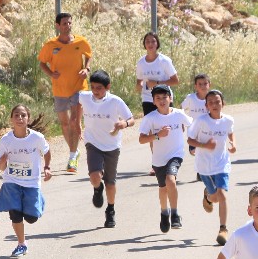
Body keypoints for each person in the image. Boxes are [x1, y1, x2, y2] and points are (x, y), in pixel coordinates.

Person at [0, 104, 52, 257]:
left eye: (23, 115)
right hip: (11, 181)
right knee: (15, 214)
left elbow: (47, 151)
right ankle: (21, 244)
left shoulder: (37, 138)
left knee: (31, 218)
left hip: (31, 182)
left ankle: (38, 201)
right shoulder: (6, 140)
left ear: (28, 119)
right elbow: (1, 167)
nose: (19, 118)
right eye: (16, 115)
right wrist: (3, 161)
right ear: (11, 119)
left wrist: (47, 167)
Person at [78, 70, 135, 229]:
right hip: (93, 143)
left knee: (110, 183)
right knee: (95, 176)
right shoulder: (85, 97)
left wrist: (123, 124)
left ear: (108, 87)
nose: (96, 91)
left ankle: (110, 209)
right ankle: (97, 188)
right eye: (93, 87)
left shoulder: (115, 101)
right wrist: (77, 122)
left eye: (100, 88)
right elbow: (76, 102)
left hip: (111, 145)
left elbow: (131, 119)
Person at [38, 12, 92, 173]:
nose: (67, 26)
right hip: (60, 89)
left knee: (74, 121)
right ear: (57, 26)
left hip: (78, 87)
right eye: (64, 24)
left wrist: (86, 68)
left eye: (69, 23)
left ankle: (72, 157)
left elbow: (88, 55)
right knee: (64, 123)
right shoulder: (50, 45)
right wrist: (50, 73)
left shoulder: (80, 41)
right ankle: (75, 150)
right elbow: (42, 63)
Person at [138, 85, 193, 233]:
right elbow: (141, 139)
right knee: (163, 188)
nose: (162, 101)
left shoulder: (179, 114)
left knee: (171, 180)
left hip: (176, 154)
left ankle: (175, 214)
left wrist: (193, 144)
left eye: (164, 97)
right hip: (158, 159)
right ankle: (164, 213)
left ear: (170, 98)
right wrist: (157, 135)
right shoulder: (150, 118)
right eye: (158, 98)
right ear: (154, 101)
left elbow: (192, 125)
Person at [187, 89, 236, 246]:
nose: (215, 105)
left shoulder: (228, 120)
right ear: (207, 106)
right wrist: (205, 145)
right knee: (215, 197)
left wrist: (233, 144)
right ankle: (208, 196)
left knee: (222, 195)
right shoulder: (201, 121)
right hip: (204, 166)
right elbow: (190, 140)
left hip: (222, 164)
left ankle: (223, 229)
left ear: (223, 103)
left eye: (217, 102)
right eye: (211, 103)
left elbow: (230, 133)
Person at [135, 32, 179, 175]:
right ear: (144, 44)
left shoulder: (164, 61)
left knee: (167, 129)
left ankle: (171, 159)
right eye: (147, 41)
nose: (150, 44)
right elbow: (139, 81)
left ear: (157, 43)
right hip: (148, 98)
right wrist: (139, 86)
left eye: (153, 41)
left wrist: (158, 83)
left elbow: (175, 80)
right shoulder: (141, 62)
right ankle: (156, 163)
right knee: (152, 131)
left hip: (165, 99)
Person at [182, 73, 212, 180]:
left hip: (208, 131)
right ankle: (201, 170)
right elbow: (182, 109)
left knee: (206, 151)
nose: (203, 86)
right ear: (195, 86)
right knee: (196, 152)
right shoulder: (191, 98)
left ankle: (203, 172)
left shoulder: (211, 98)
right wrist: (182, 122)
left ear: (209, 84)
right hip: (193, 131)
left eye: (205, 83)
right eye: (200, 84)